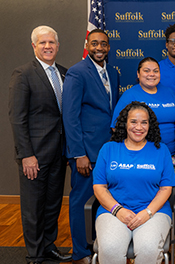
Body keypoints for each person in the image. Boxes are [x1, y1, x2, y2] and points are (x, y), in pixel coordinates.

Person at [8, 25, 72, 264]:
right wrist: (26, 155)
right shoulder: (23, 74)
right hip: (34, 155)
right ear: (34, 46)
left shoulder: (65, 73)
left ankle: (48, 246)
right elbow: (17, 118)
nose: (48, 47)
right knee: (33, 207)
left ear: (57, 46)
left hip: (58, 153)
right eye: (43, 43)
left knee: (53, 204)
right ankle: (35, 255)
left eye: (52, 43)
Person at [93, 101, 175, 264]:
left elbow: (166, 188)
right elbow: (99, 187)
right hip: (113, 210)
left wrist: (148, 212)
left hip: (154, 211)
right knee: (110, 248)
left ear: (149, 125)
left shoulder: (161, 150)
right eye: (133, 121)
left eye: (144, 122)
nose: (139, 127)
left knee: (148, 249)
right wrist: (118, 210)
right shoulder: (108, 149)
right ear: (125, 124)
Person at [63, 29, 120, 264]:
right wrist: (78, 153)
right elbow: (70, 116)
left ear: (108, 47)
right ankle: (80, 253)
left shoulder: (113, 73)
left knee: (102, 202)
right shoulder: (77, 73)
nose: (99, 48)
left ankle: (97, 245)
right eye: (94, 43)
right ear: (87, 44)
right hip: (86, 153)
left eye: (104, 44)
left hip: (107, 150)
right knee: (81, 202)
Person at [111, 57, 175, 157]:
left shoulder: (169, 92)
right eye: (146, 71)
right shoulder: (130, 95)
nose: (151, 74)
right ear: (138, 74)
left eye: (155, 71)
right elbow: (115, 127)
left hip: (171, 155)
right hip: (142, 155)